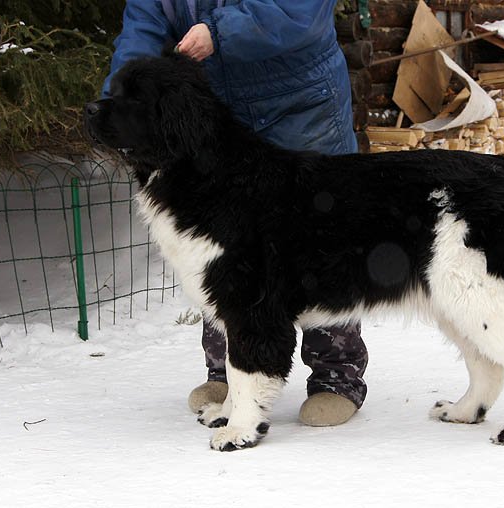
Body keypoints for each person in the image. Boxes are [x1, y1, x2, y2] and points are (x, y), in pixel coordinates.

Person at [102, 0, 368, 426]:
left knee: (319, 236)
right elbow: (143, 26)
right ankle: (230, 374)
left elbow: (299, 10)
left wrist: (219, 33)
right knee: (218, 249)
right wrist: (122, 101)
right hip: (218, 107)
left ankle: (335, 376)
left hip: (300, 98)